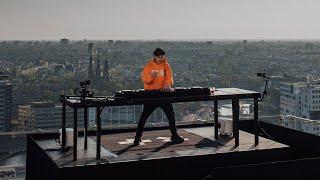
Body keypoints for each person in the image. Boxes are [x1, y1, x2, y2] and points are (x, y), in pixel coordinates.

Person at [133, 48, 184, 145]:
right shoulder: (149, 66)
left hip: (163, 94)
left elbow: (169, 77)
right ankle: (137, 138)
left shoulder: (166, 65)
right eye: (159, 57)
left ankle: (174, 135)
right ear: (155, 57)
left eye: (162, 57)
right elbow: (145, 80)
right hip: (151, 95)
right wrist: (152, 76)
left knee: (171, 115)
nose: (161, 59)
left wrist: (167, 84)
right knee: (144, 117)